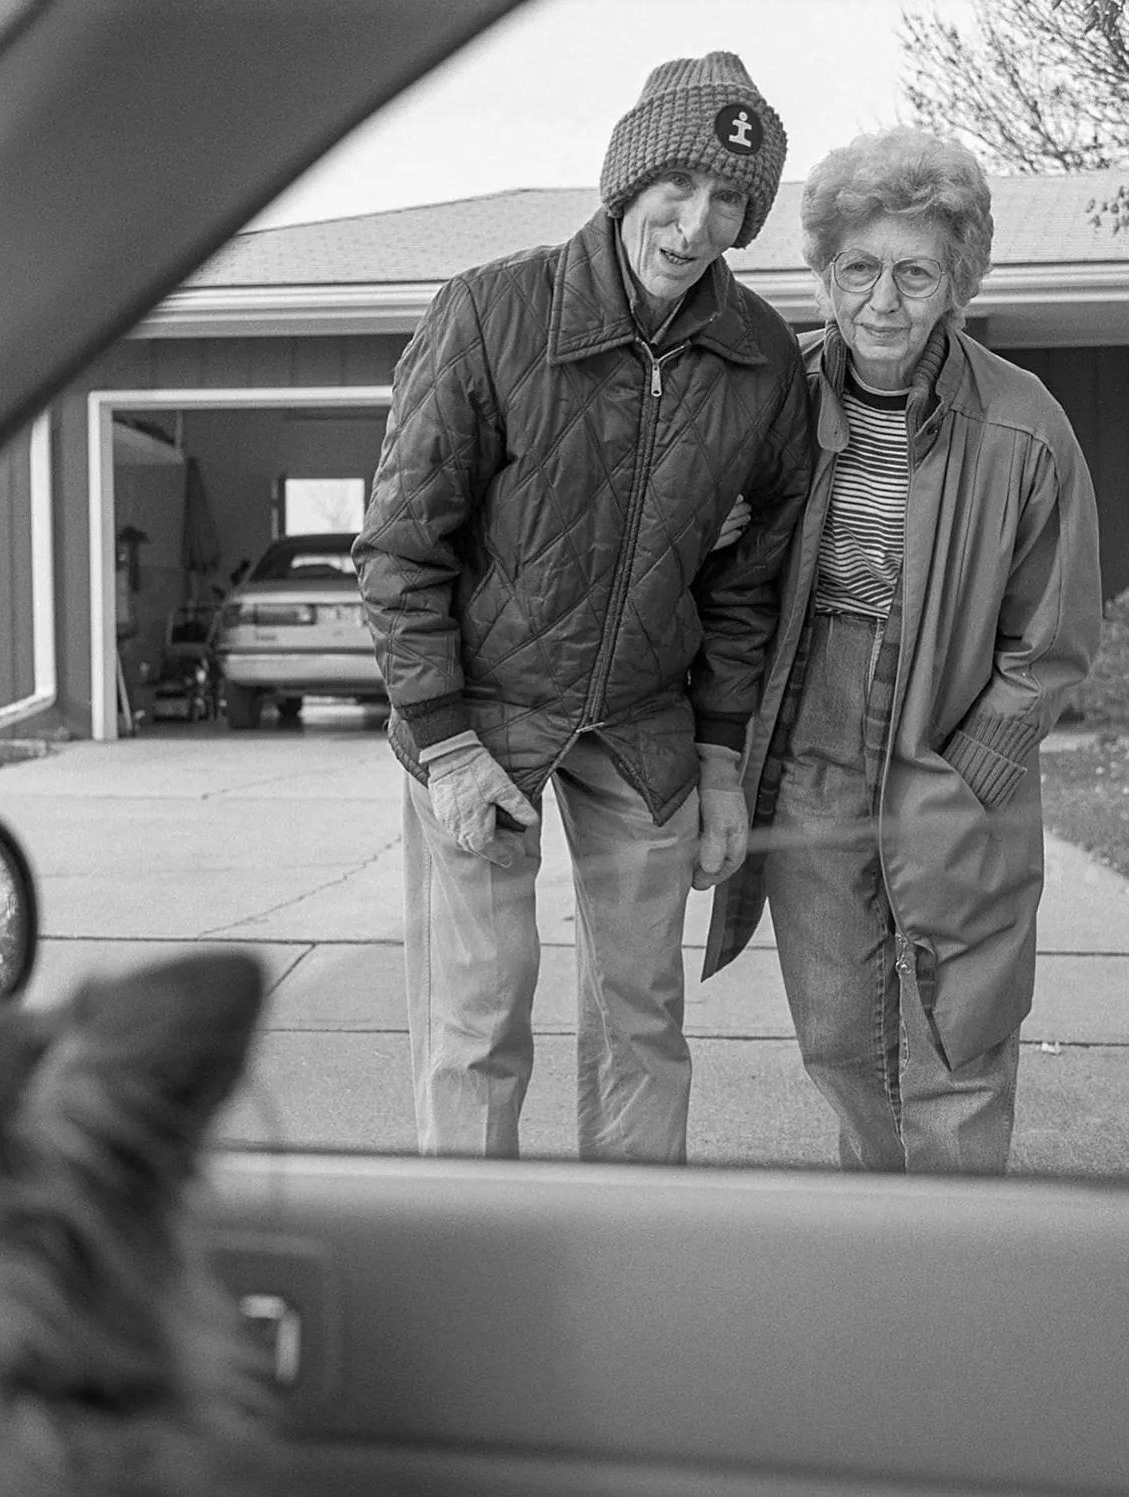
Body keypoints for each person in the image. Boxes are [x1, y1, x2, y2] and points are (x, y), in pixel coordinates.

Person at [354, 52, 812, 1163]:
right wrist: (447, 743)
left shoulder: (760, 361)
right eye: (680, 188)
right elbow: (402, 550)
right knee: (478, 1019)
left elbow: (748, 588)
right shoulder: (492, 311)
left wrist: (716, 759)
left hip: (648, 721)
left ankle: (627, 1263)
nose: (698, 225)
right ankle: (477, 1263)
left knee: (645, 1019)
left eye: (731, 202)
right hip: (487, 712)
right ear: (628, 179)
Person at [704, 126, 1103, 1175]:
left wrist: (972, 768)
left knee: (955, 1039)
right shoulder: (770, 394)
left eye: (915, 272)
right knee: (839, 1035)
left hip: (951, 747)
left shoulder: (1025, 425)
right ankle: (890, 1248)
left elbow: (1055, 638)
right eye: (860, 268)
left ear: (957, 281)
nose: (884, 300)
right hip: (812, 750)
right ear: (826, 274)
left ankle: (958, 1281)